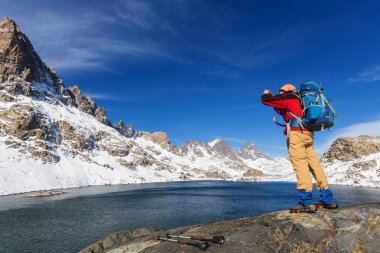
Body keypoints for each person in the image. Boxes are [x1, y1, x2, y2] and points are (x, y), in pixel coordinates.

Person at [261, 84, 338, 213]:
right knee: (315, 165)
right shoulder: (300, 100)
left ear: (286, 91)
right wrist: (275, 98)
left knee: (300, 165)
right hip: (308, 135)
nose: (279, 94)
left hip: (297, 135)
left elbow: (266, 101)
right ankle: (328, 199)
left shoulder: (289, 97)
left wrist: (266, 95)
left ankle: (306, 202)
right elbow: (280, 109)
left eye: (280, 92)